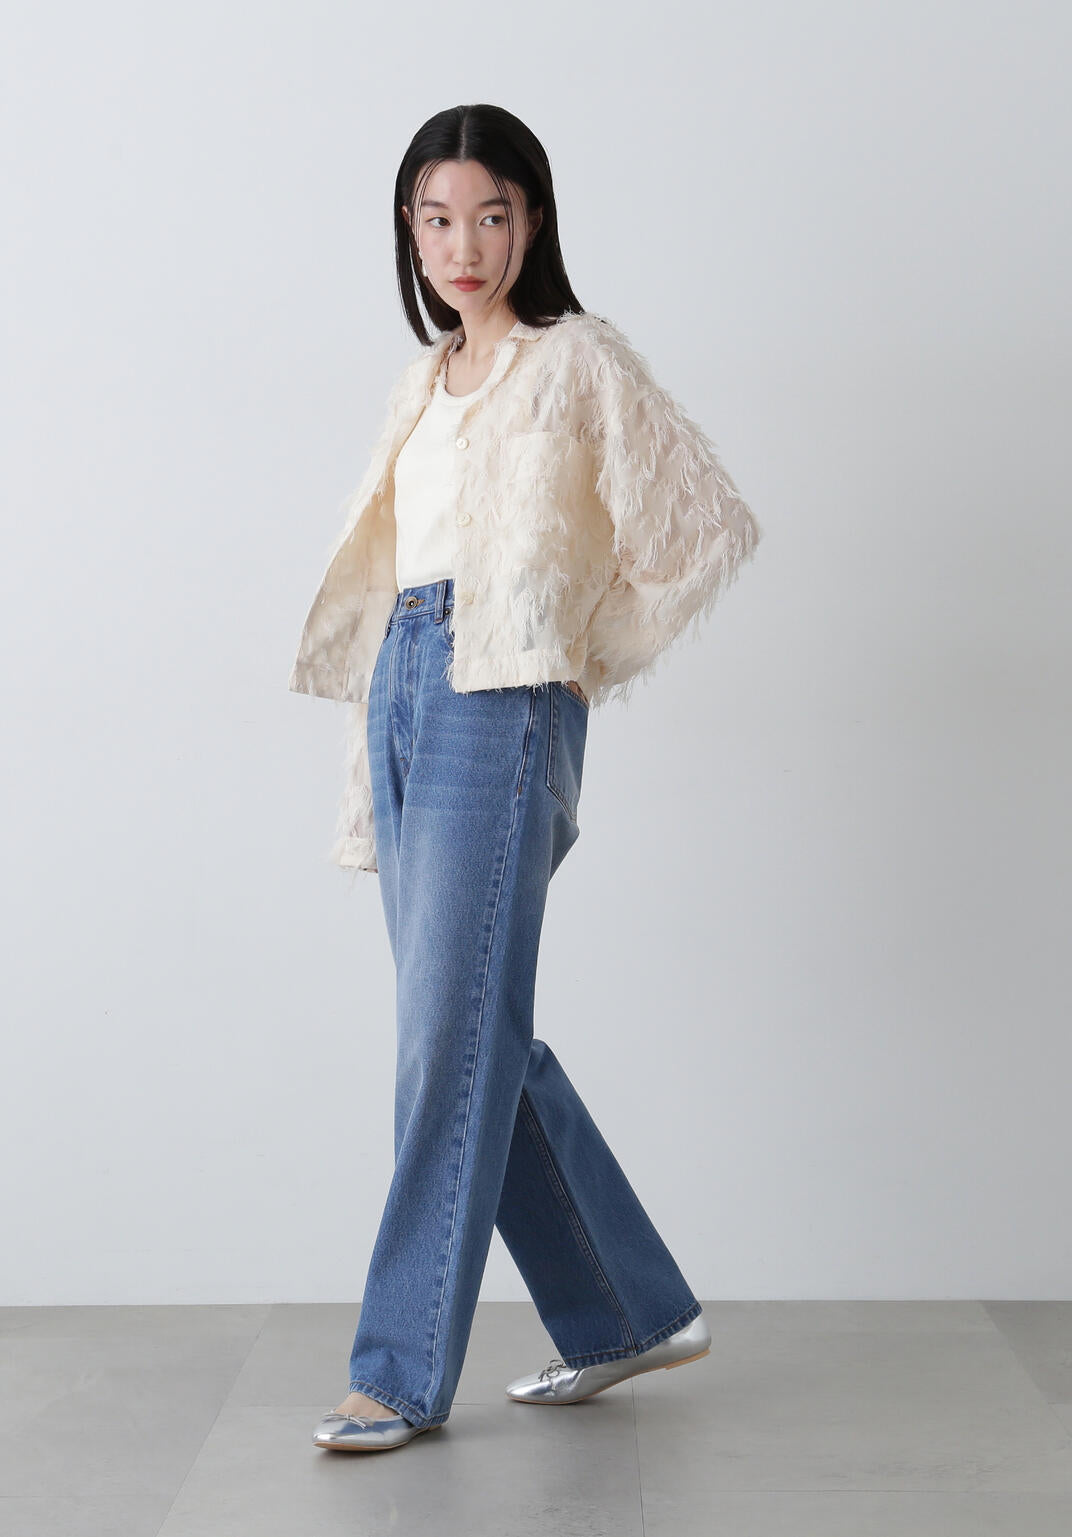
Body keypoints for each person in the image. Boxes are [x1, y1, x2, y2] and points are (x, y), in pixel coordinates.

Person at [289, 103, 762, 1452]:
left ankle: (397, 1370)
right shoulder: (424, 380)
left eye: (491, 216)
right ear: (409, 228)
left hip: (501, 698)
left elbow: (703, 528)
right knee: (467, 1029)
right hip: (405, 684)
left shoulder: (575, 361)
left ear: (532, 221)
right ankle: (625, 1309)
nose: (465, 246)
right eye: (438, 219)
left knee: (447, 1038)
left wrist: (576, 658)